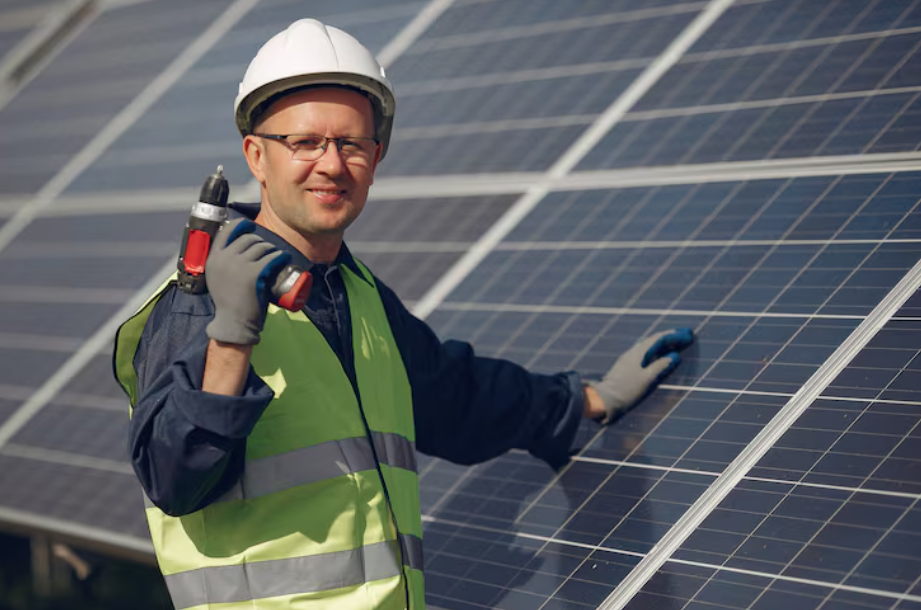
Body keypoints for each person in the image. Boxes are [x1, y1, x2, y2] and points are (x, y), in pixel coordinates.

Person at [113, 18, 694, 610]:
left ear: (377, 155)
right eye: (305, 143)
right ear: (256, 157)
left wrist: (586, 400)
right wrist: (231, 339)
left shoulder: (356, 294)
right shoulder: (194, 302)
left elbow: (454, 395)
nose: (333, 165)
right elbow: (172, 478)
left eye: (352, 144)